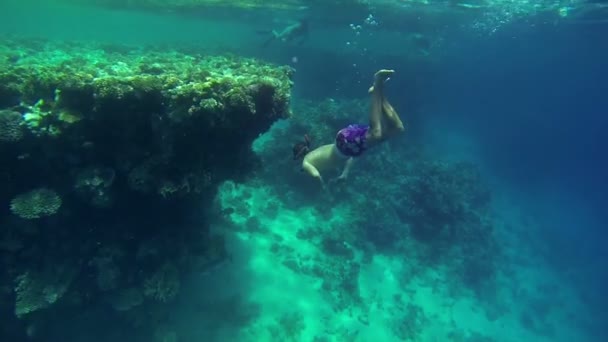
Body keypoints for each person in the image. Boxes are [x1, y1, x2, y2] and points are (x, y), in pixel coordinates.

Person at [294, 69, 404, 187]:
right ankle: (378, 91)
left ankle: (377, 81)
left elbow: (315, 175)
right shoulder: (314, 156)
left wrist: (322, 187)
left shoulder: (306, 162)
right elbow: (351, 156)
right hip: (346, 146)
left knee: (376, 133)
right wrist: (344, 174)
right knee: (397, 128)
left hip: (344, 144)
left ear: (298, 156)